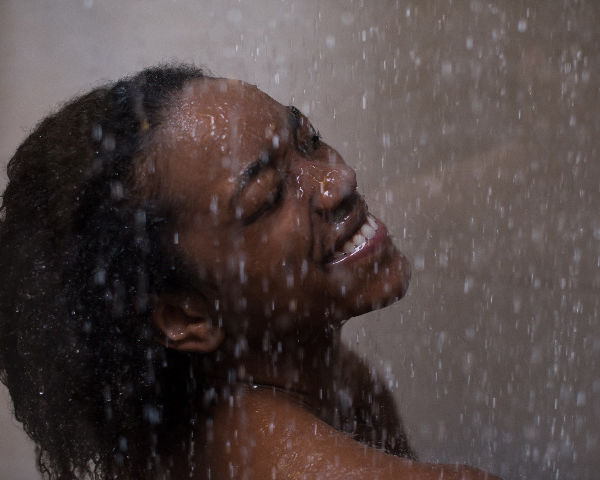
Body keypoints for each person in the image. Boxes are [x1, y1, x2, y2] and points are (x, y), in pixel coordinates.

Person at [0, 64, 499, 479]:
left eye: (308, 140)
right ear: (183, 316)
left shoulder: (316, 385)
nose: (338, 180)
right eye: (268, 198)